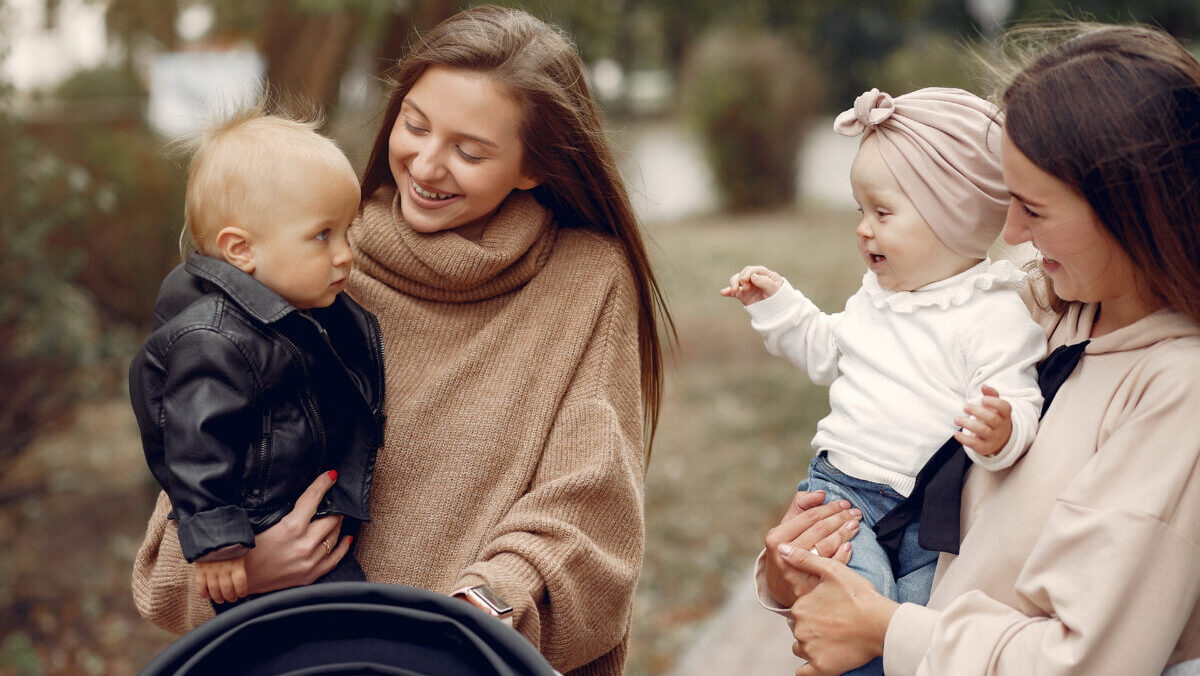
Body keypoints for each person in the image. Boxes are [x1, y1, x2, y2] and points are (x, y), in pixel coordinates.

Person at [131, 6, 672, 675]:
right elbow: (179, 529)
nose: (426, 163)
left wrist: (481, 612)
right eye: (414, 126)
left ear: (532, 166)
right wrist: (250, 565)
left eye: (470, 151)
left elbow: (590, 507)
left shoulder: (586, 281)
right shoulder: (307, 266)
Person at [758, 22, 1200, 676]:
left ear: (1129, 206)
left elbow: (1086, 660)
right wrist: (791, 569)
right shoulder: (1044, 309)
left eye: (1032, 209)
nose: (1010, 231)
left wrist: (886, 630)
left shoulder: (1175, 393)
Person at [722, 87, 1046, 671]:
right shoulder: (879, 297)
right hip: (843, 494)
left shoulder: (994, 313)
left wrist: (1003, 432)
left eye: (882, 213)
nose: (862, 230)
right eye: (859, 211)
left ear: (953, 215)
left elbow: (1016, 397)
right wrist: (779, 305)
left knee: (915, 626)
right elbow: (828, 352)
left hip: (932, 514)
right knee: (857, 611)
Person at [128, 106, 383, 611]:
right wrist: (220, 544)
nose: (346, 254)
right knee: (352, 631)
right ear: (241, 251)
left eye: (347, 232)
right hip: (258, 528)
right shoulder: (215, 338)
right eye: (322, 236)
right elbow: (195, 444)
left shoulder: (296, 311)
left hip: (293, 524)